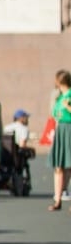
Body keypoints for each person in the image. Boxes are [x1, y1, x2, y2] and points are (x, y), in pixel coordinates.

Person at [48, 71, 71, 211]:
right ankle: (57, 199)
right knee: (58, 167)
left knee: (69, 166)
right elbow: (55, 115)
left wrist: (67, 105)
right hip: (60, 130)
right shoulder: (59, 97)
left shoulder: (69, 95)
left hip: (69, 129)